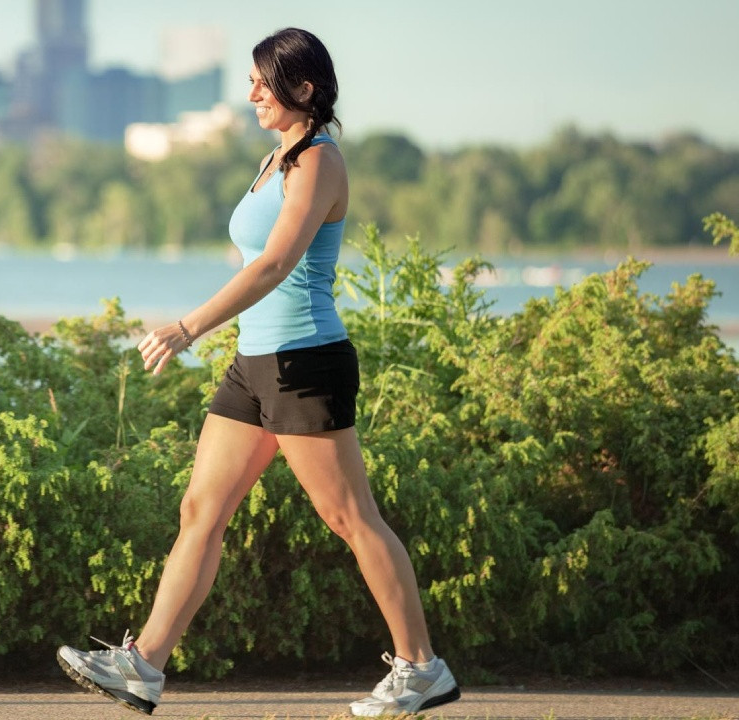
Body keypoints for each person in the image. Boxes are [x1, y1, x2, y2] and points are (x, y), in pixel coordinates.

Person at [56, 27, 461, 718]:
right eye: (249, 81)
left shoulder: (318, 162)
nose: (250, 94)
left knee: (350, 516)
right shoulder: (274, 160)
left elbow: (274, 265)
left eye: (262, 82)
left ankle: (423, 668)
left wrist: (188, 327)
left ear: (303, 88)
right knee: (200, 511)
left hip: (305, 361)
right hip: (254, 364)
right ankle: (143, 666)